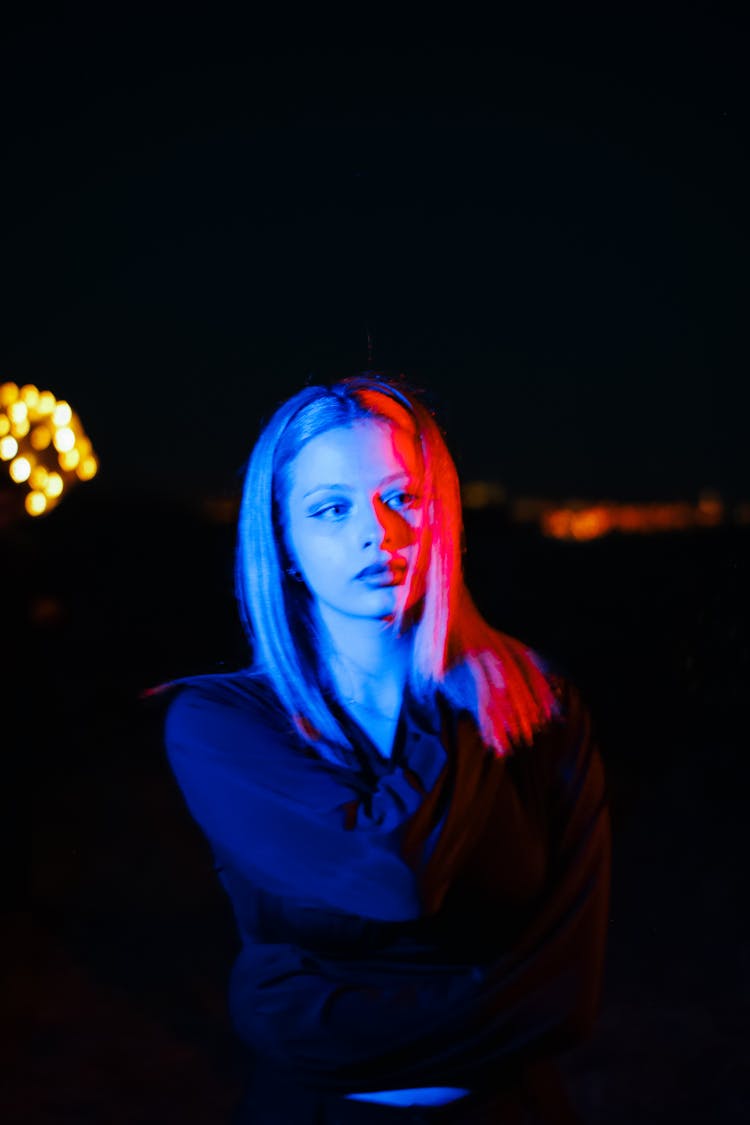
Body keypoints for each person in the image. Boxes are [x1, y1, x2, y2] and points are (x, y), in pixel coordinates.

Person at [161, 374, 611, 1123]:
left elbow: (563, 1000)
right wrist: (453, 701)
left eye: (402, 496)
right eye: (331, 508)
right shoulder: (223, 724)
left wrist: (300, 1013)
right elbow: (393, 874)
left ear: (442, 511)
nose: (378, 532)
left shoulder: (541, 704)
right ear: (286, 544)